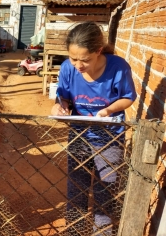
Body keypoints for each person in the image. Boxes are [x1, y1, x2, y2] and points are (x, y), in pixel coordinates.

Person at [50, 21, 136, 235]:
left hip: (109, 138)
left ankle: (102, 232)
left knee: (105, 192)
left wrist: (107, 111)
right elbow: (64, 97)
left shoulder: (118, 67)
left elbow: (127, 97)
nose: (78, 65)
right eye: (73, 58)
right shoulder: (68, 68)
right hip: (79, 135)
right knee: (76, 190)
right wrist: (60, 107)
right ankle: (74, 232)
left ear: (98, 51)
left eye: (85, 60)